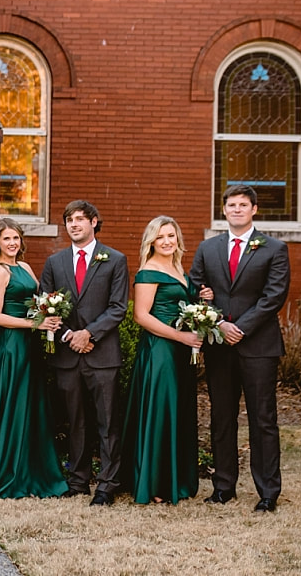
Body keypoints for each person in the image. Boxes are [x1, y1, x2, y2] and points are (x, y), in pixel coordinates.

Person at [190, 184, 290, 512]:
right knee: (222, 417)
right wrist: (218, 323)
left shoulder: (274, 248)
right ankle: (223, 487)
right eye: (231, 205)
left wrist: (241, 327)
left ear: (254, 209)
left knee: (262, 418)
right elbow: (197, 289)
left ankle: (267, 492)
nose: (236, 209)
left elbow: (273, 296)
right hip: (220, 346)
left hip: (259, 346)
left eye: (243, 205)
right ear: (224, 210)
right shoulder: (208, 248)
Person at [0, 218, 68, 499]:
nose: (12, 243)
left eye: (16, 238)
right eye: (6, 239)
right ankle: (6, 471)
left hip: (29, 346)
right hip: (11, 347)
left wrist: (47, 316)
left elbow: (35, 302)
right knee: (11, 405)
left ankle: (30, 470)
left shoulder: (25, 267)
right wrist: (36, 325)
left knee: (29, 406)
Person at [39, 200, 129, 506]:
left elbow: (118, 307)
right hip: (67, 355)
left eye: (80, 219)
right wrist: (69, 336)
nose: (74, 224)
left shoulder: (115, 260)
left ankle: (107, 483)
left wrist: (88, 334)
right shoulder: (55, 262)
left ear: (93, 222)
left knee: (107, 421)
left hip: (102, 354)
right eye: (69, 220)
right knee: (74, 420)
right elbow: (45, 304)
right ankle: (77, 480)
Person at [121, 216, 206, 504]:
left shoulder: (179, 269)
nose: (167, 241)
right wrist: (180, 337)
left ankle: (176, 479)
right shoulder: (149, 271)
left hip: (181, 353)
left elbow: (185, 305)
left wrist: (201, 298)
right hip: (160, 352)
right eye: (161, 237)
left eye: (171, 235)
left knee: (177, 411)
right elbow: (141, 316)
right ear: (151, 242)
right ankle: (155, 483)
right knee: (160, 412)